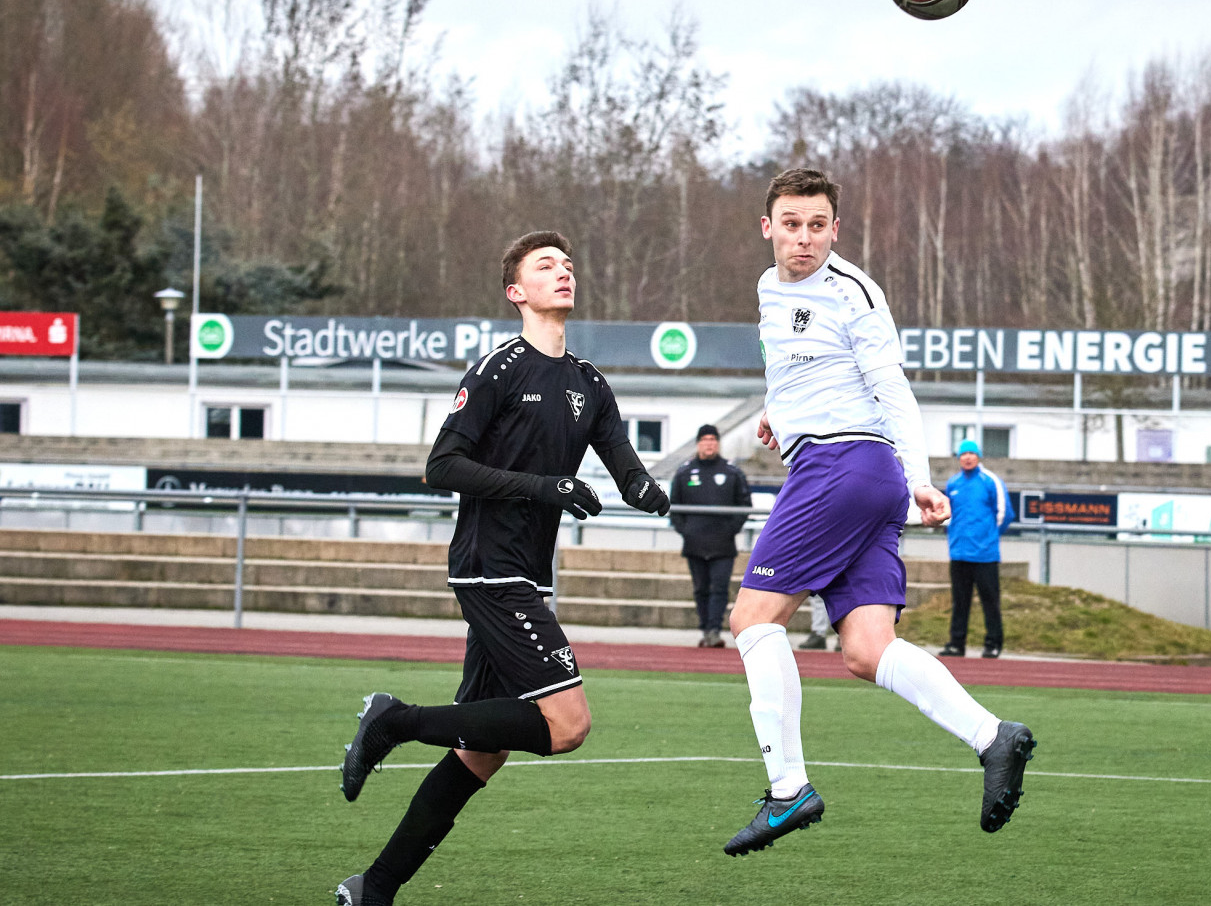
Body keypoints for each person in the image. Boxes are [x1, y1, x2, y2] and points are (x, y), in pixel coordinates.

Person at [333, 231, 670, 906]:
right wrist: (547, 488)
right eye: (546, 265)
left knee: (480, 749)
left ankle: (372, 886)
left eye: (568, 263)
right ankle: (392, 718)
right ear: (517, 291)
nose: (563, 271)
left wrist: (654, 493)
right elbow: (441, 466)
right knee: (567, 724)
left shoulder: (588, 382)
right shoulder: (498, 368)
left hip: (527, 573)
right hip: (490, 568)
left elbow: (623, 462)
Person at [723, 168, 1036, 857]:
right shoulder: (769, 288)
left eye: (817, 225)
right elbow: (796, 365)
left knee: (751, 619)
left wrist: (920, 478)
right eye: (791, 223)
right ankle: (994, 737)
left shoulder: (854, 291)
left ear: (835, 229)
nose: (803, 237)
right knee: (866, 650)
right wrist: (781, 413)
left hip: (844, 468)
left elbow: (892, 390)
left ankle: (787, 788)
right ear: (767, 225)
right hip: (849, 469)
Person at [670, 423, 753, 647]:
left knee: (719, 588)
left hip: (723, 544)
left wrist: (730, 530)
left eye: (713, 440)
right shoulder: (684, 472)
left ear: (718, 444)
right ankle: (705, 629)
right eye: (705, 440)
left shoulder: (732, 472)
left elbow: (744, 505)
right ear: (698, 444)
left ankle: (715, 630)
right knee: (700, 589)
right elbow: (673, 507)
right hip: (695, 544)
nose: (709, 444)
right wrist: (686, 531)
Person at [939, 439, 1015, 659]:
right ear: (959, 458)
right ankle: (956, 643)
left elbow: (1005, 514)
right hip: (959, 554)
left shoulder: (990, 481)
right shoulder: (953, 483)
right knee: (959, 602)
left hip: (985, 555)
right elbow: (949, 517)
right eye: (964, 454)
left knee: (990, 601)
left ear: (978, 456)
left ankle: (993, 643)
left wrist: (988, 537)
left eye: (972, 453)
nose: (968, 457)